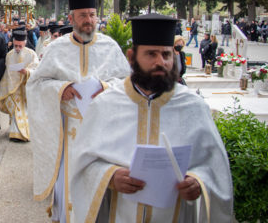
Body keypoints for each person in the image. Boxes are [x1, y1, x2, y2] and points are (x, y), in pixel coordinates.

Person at [71, 13, 233, 222]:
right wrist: (110, 176)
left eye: (166, 55)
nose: (160, 62)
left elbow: (215, 168)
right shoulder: (106, 105)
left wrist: (198, 181)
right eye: (151, 54)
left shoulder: (193, 106)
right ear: (131, 57)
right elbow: (81, 164)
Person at [26, 0, 131, 223]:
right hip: (68, 134)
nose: (89, 20)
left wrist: (105, 86)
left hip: (102, 132)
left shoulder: (110, 47)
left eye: (92, 15)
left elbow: (127, 84)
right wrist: (61, 88)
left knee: (101, 187)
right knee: (69, 187)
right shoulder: (56, 48)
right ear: (71, 18)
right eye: (83, 15)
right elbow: (36, 84)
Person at [0, 30, 38, 142]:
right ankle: (15, 133)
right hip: (12, 88)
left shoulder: (31, 54)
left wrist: (27, 71)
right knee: (15, 110)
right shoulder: (9, 55)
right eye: (16, 46)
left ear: (25, 43)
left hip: (26, 87)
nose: (18, 48)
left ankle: (22, 133)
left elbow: (36, 69)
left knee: (24, 111)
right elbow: (8, 72)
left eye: (20, 46)